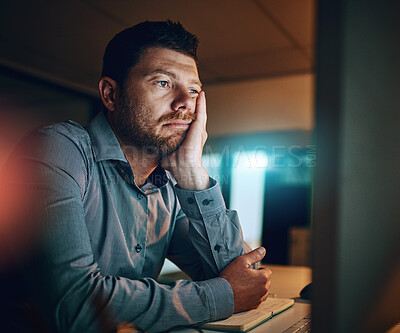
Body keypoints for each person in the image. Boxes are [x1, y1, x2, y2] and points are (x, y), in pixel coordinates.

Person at [7, 20, 272, 332]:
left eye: (193, 90)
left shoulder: (171, 186)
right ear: (110, 94)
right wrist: (221, 296)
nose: (184, 103)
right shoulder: (57, 149)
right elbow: (76, 306)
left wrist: (194, 176)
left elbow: (242, 277)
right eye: (162, 83)